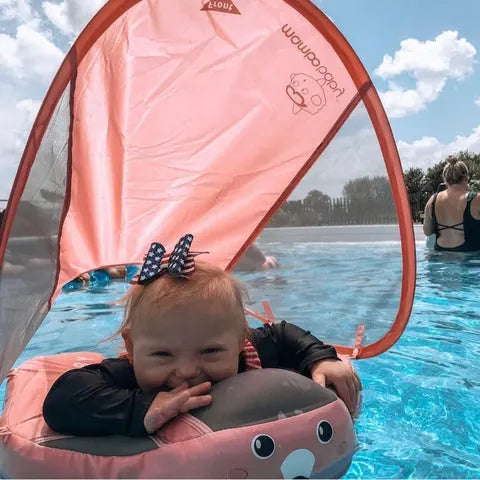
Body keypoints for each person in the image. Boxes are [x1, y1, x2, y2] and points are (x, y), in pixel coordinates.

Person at [43, 238, 361, 437]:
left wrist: (321, 357)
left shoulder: (250, 352)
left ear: (239, 340)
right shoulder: (130, 377)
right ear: (132, 347)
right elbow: (62, 400)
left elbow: (283, 333)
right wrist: (141, 408)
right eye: (163, 355)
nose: (186, 370)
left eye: (209, 351)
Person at [423, 157, 480, 252]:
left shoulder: (432, 200)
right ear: (466, 178)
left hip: (440, 256)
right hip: (469, 259)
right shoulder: (476, 199)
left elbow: (427, 232)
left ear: (445, 179)